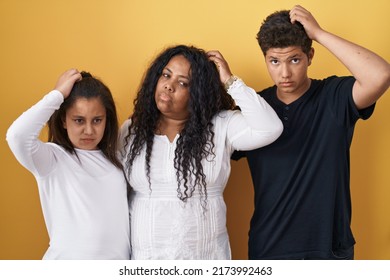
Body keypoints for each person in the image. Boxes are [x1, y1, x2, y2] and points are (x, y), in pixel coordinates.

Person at [232, 5, 390, 259]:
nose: (285, 73)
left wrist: (318, 32)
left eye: (294, 59)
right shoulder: (254, 109)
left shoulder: (334, 96)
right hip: (270, 249)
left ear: (310, 56)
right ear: (266, 60)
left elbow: (381, 75)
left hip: (330, 248)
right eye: (274, 61)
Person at [119, 44, 283, 259]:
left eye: (183, 82)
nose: (169, 86)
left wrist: (230, 82)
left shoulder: (220, 125)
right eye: (166, 75)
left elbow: (270, 128)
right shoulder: (132, 130)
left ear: (198, 92)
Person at [6, 69, 130, 259]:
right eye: (79, 120)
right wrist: (57, 95)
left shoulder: (116, 161)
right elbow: (17, 136)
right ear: (64, 120)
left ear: (107, 119)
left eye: (97, 120)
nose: (89, 130)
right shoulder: (52, 159)